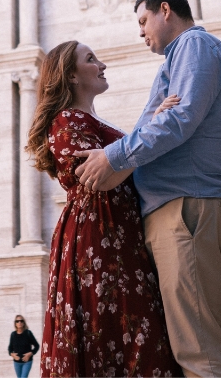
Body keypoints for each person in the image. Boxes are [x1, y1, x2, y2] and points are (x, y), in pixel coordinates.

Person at [74, 0, 221, 378]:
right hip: (177, 209)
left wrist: (112, 156)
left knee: (198, 350)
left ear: (165, 10)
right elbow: (163, 122)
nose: (140, 31)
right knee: (189, 346)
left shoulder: (193, 46)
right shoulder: (180, 56)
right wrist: (149, 122)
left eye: (142, 20)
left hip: (185, 208)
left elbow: (178, 119)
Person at [25, 40, 183, 378]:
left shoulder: (87, 120)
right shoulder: (67, 120)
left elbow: (123, 160)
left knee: (131, 332)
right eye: (91, 59)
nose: (102, 64)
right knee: (119, 329)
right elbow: (100, 178)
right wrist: (153, 127)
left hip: (116, 235)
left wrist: (152, 125)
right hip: (98, 239)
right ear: (70, 76)